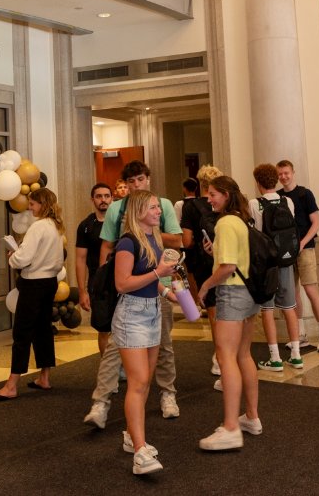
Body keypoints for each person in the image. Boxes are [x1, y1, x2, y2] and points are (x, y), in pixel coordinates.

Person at [83, 161, 183, 428]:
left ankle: (167, 394)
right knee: (115, 348)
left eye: (140, 179)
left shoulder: (161, 205)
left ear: (148, 179)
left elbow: (178, 239)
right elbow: (107, 247)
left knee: (162, 346)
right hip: (128, 289)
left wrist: (149, 225)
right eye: (132, 181)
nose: (136, 184)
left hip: (157, 287)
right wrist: (99, 284)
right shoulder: (118, 209)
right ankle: (101, 402)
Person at [111, 190, 178, 475]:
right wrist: (158, 273)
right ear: (139, 210)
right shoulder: (127, 242)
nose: (158, 211)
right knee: (138, 383)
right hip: (132, 315)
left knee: (145, 382)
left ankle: (131, 436)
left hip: (151, 310)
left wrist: (165, 290)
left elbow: (152, 279)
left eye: (158, 207)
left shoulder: (154, 238)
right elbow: (122, 284)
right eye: (153, 207)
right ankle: (140, 452)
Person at [197, 175, 262, 450]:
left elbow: (227, 268)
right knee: (244, 355)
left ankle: (231, 428)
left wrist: (204, 287)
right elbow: (235, 260)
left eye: (212, 194)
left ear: (225, 194)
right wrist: (216, 255)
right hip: (250, 293)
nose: (209, 199)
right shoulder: (241, 220)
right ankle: (251, 417)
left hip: (232, 294)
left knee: (226, 359)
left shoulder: (224, 223)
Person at [0, 188, 65, 401]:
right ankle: (44, 378)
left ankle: (11, 385)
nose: (30, 208)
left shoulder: (38, 227)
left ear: (42, 204)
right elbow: (58, 259)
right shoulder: (56, 227)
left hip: (33, 283)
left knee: (22, 333)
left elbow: (23, 259)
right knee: (43, 330)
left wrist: (13, 255)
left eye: (32, 204)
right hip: (50, 283)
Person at [249, 164, 303, 371]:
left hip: (266, 265)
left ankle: (275, 358)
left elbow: (256, 232)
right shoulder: (287, 201)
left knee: (268, 310)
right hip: (286, 260)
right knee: (289, 307)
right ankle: (296, 355)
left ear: (258, 182)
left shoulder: (255, 203)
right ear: (275, 180)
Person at [277, 159, 319, 353]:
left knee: (310, 290)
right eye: (280, 174)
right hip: (286, 252)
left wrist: (301, 243)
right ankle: (300, 334)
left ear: (293, 173)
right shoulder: (278, 197)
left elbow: (316, 223)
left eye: (286, 173)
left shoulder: (304, 194)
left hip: (305, 249)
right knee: (293, 293)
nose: (283, 177)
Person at [180, 165, 223, 389]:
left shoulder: (190, 207)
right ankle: (228, 354)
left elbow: (186, 241)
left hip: (201, 263)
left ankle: (218, 357)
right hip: (224, 260)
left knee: (213, 310)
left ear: (200, 184)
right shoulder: (225, 203)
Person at [76, 183, 113, 355]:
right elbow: (80, 259)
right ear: (93, 200)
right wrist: (82, 292)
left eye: (106, 196)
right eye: (99, 196)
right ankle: (107, 368)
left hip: (121, 280)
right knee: (103, 328)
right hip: (97, 284)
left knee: (123, 327)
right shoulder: (85, 226)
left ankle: (126, 366)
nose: (103, 200)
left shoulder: (120, 223)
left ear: (112, 198)